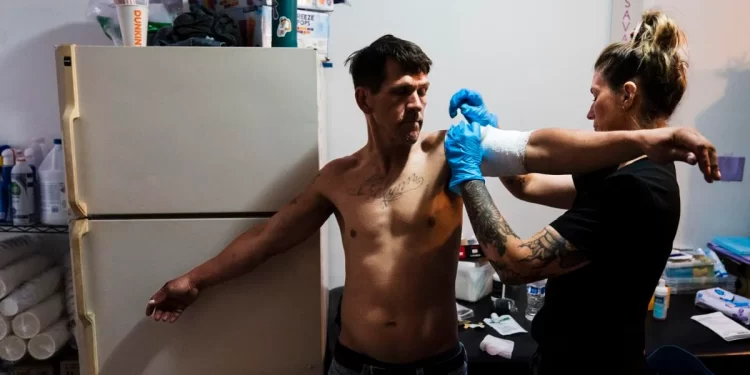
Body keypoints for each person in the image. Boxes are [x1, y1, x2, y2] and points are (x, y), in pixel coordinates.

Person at [146, 34, 719, 375]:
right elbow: (269, 238)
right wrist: (196, 279)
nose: (418, 104)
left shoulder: (453, 150)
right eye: (402, 92)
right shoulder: (336, 179)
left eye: (423, 90)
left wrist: (658, 139)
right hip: (356, 365)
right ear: (364, 99)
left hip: (440, 365)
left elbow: (543, 148)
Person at [445, 10, 710, 374]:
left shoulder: (637, 187)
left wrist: (470, 177)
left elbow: (515, 264)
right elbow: (529, 184)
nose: (589, 113)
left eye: (596, 95)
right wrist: (495, 136)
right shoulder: (621, 167)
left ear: (627, 95)